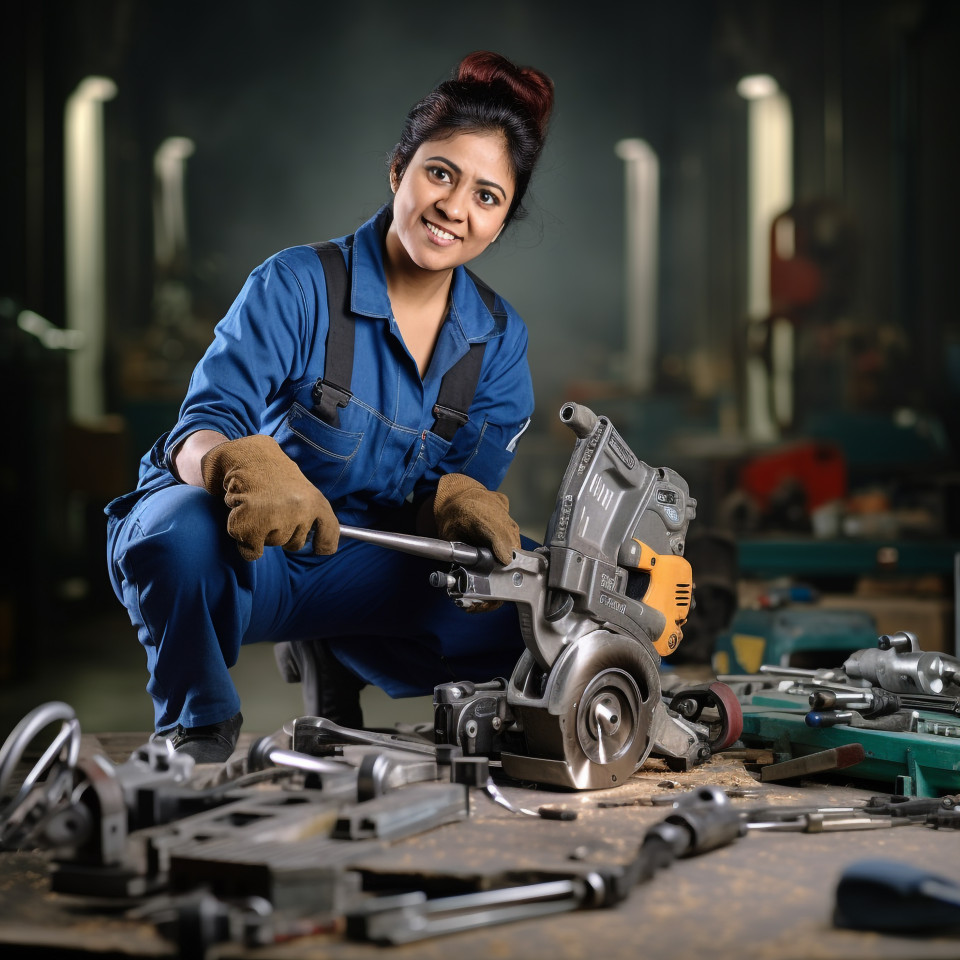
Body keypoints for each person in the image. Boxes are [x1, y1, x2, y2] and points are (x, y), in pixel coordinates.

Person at [105, 51, 556, 762]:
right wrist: (235, 461)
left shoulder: (496, 341)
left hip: (369, 568)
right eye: (440, 173)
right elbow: (198, 428)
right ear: (398, 171)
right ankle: (198, 727)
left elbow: (459, 504)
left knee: (542, 602)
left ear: (500, 222)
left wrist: (457, 499)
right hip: (261, 561)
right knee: (175, 533)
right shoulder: (298, 284)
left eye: (487, 195)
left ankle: (353, 662)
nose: (454, 207)